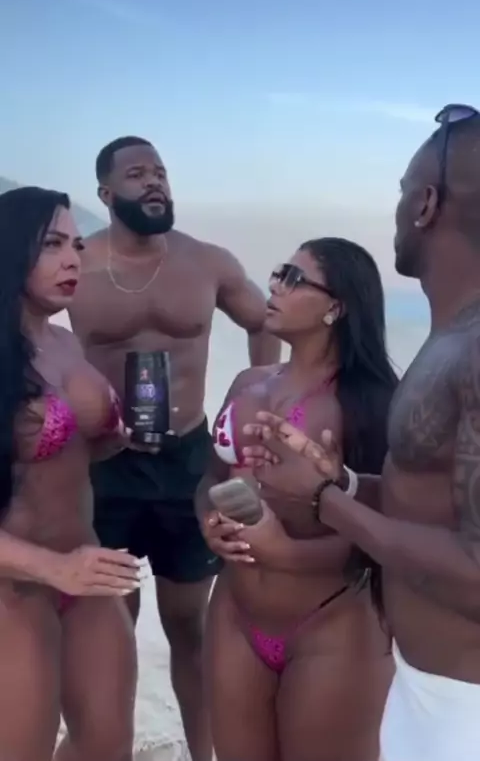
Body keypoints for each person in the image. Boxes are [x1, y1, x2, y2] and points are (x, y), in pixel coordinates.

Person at [241, 105, 480, 761]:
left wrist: (325, 503)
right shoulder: (452, 337)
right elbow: (436, 504)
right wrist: (342, 481)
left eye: (401, 192)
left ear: (426, 204)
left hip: (464, 710)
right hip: (425, 686)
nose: (395, 210)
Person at [68, 136, 280, 761]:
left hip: (187, 460)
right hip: (105, 465)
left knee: (190, 625)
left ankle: (201, 754)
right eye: (137, 174)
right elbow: (27, 335)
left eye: (159, 172)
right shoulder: (79, 265)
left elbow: (263, 322)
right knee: (113, 627)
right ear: (106, 193)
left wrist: (253, 400)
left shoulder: (207, 262)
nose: (155, 182)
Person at [196, 237, 398, 761]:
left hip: (329, 625)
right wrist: (207, 522)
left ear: (336, 308)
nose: (274, 286)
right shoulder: (248, 382)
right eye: (277, 272)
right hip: (235, 615)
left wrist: (286, 552)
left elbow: (387, 537)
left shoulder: (369, 403)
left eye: (293, 278)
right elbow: (211, 476)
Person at [0, 186, 141, 761]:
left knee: (106, 745)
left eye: (78, 246)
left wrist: (112, 440)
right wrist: (54, 568)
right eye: (53, 245)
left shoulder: (64, 341)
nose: (72, 260)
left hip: (85, 571)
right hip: (14, 588)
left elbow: (66, 460)